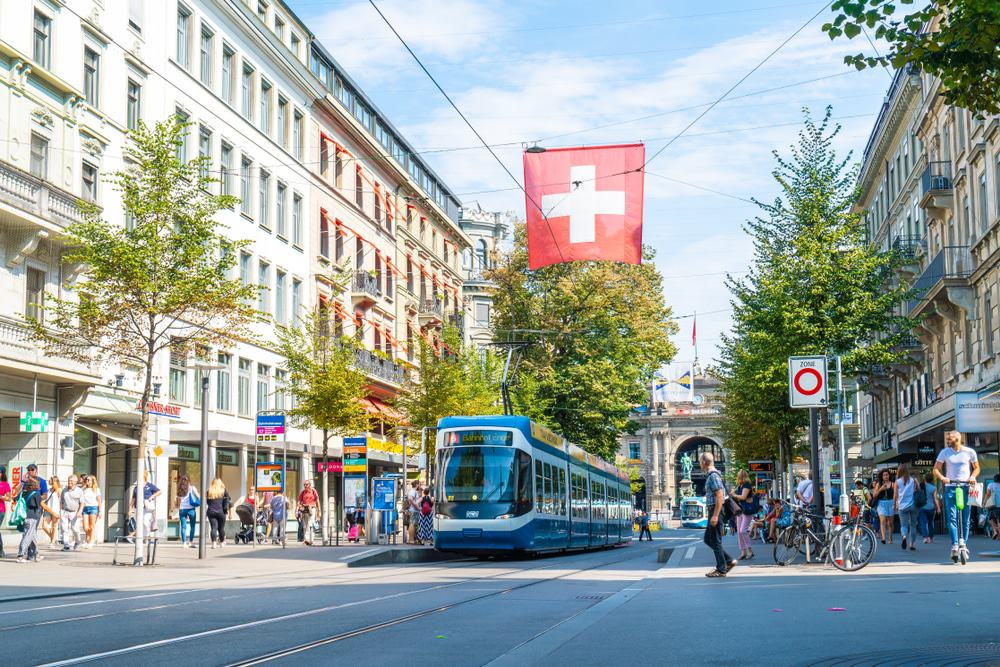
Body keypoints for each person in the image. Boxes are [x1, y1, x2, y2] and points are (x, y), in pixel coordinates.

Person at [934, 430, 981, 562]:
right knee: (952, 517)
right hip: (951, 488)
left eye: (950, 439)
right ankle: (955, 543)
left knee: (966, 517)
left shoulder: (969, 452)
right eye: (948, 439)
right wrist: (943, 478)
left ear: (958, 439)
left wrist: (972, 476)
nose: (948, 441)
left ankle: (963, 544)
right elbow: (936, 469)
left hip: (966, 487)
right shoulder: (945, 452)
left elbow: (977, 468)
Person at [701, 452, 735, 578]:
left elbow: (719, 495)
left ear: (704, 462)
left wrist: (715, 515)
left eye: (700, 461)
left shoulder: (713, 476)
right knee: (708, 539)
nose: (700, 464)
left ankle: (721, 569)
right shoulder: (712, 475)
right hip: (714, 509)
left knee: (715, 540)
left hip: (716, 510)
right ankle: (728, 561)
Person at [16, 478, 51, 563]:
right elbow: (40, 505)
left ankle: (36, 555)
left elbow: (15, 499)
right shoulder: (36, 494)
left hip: (24, 517)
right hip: (32, 517)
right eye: (38, 484)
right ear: (35, 485)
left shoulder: (23, 493)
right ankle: (20, 555)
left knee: (33, 536)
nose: (39, 486)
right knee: (27, 536)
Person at [128, 471, 162, 536]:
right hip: (137, 508)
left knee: (145, 522)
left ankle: (146, 536)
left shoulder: (149, 485)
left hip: (147, 508)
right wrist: (130, 509)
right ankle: (141, 537)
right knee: (139, 523)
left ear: (144, 477)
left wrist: (152, 496)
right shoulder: (136, 488)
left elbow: (159, 491)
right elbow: (133, 499)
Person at [730, 469, 754, 560]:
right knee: (739, 533)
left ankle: (750, 550)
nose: (737, 478)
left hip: (747, 510)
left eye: (738, 476)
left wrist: (734, 495)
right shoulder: (740, 486)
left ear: (741, 477)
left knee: (742, 531)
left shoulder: (747, 485)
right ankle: (743, 552)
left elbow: (743, 497)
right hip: (740, 511)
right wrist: (733, 494)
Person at [894, 463, 918, 551]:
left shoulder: (897, 482)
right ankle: (912, 544)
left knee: (903, 525)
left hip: (902, 506)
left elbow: (895, 496)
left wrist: (894, 505)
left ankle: (904, 536)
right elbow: (918, 489)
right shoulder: (913, 480)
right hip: (913, 505)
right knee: (913, 525)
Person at [60, 475, 84, 551]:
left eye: (71, 481)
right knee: (64, 529)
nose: (70, 482)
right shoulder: (64, 490)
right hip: (65, 511)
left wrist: (79, 512)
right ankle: (66, 545)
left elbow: (82, 503)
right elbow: (61, 501)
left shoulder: (79, 491)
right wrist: (60, 511)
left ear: (75, 482)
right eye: (69, 480)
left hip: (75, 512)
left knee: (75, 529)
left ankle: (77, 542)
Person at [205, 477, 231, 548]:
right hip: (221, 511)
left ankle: (214, 543)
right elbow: (229, 499)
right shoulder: (223, 491)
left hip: (211, 511)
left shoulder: (209, 491)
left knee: (213, 528)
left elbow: (207, 502)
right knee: (221, 528)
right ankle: (222, 542)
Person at [176, 475, 199, 548]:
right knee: (192, 526)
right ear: (188, 480)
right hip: (191, 509)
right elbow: (198, 496)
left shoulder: (179, 489)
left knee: (183, 526)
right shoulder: (192, 488)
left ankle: (184, 543)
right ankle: (190, 542)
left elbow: (176, 501)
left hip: (182, 509)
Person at [873, 469, 895, 544]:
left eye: (887, 475)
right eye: (884, 475)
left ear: (889, 475)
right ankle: (883, 538)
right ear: (881, 476)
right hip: (881, 504)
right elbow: (874, 495)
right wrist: (880, 489)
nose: (885, 476)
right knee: (882, 520)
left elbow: (896, 495)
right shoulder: (878, 484)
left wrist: (896, 503)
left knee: (890, 523)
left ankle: (890, 538)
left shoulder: (893, 484)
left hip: (890, 503)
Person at [918, 472, 941, 544]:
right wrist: (938, 508)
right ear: (932, 480)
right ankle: (931, 537)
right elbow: (935, 499)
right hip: (931, 508)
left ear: (925, 479)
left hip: (922, 507)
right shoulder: (933, 488)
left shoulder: (921, 486)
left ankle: (925, 537)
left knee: (923, 522)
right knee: (931, 522)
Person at [41, 476, 62, 548]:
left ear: (54, 481)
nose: (49, 480)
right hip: (48, 509)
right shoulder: (48, 490)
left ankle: (52, 542)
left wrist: (60, 512)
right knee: (44, 526)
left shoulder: (59, 490)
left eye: (50, 479)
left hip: (56, 510)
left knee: (54, 526)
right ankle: (53, 539)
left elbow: (61, 502)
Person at [297, 480, 320, 546]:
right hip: (305, 509)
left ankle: (308, 539)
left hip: (312, 508)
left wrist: (319, 511)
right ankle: (309, 540)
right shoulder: (303, 492)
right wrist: (297, 510)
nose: (305, 486)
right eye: (304, 484)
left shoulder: (313, 491)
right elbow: (299, 501)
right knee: (306, 525)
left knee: (310, 524)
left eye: (306, 484)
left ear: (310, 485)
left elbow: (317, 501)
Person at [984, 474, 1000, 540]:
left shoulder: (991, 485)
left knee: (990, 518)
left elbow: (988, 494)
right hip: (999, 505)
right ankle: (998, 535)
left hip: (992, 504)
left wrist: (984, 502)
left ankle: (995, 530)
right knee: (999, 520)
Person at [0, 467, 10, 557]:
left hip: (1, 510)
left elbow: (9, 498)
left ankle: (1, 550)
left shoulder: (5, 484)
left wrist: (0, 496)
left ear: (2, 474)